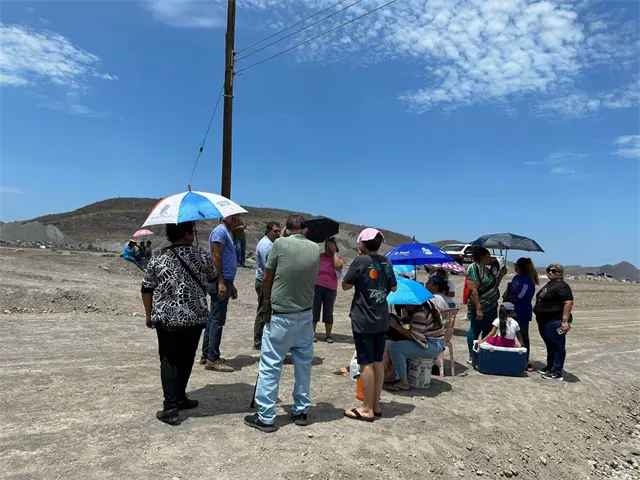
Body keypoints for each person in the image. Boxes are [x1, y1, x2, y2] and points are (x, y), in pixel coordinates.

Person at [244, 215, 320, 433]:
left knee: (270, 364)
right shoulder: (315, 248)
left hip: (281, 314)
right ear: (306, 231)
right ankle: (301, 409)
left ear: (287, 229)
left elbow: (268, 277)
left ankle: (266, 415)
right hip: (305, 314)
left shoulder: (279, 244)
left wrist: (266, 302)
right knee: (303, 364)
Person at [141, 221, 217, 424]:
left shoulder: (158, 256)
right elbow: (213, 277)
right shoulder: (201, 254)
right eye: (191, 231)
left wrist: (148, 314)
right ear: (187, 233)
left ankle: (171, 406)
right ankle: (178, 398)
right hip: (194, 317)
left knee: (169, 359)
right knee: (187, 357)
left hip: (167, 317)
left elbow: (147, 288)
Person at [342, 228, 397, 422]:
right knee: (377, 361)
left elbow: (345, 285)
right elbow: (393, 287)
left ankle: (366, 408)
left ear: (362, 243)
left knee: (365, 363)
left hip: (364, 319)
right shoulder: (386, 262)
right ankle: (376, 405)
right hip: (381, 318)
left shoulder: (360, 261)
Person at [201, 215, 239, 372]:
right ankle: (213, 359)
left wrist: (231, 284)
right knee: (217, 319)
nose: (237, 221)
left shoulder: (224, 232)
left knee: (213, 318)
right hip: (219, 281)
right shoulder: (220, 232)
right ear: (225, 217)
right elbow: (216, 256)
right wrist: (222, 282)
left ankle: (207, 354)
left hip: (224, 280)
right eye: (234, 218)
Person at [385, 300, 445, 391]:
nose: (404, 306)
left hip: (431, 346)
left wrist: (396, 326)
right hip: (438, 344)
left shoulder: (420, 314)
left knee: (395, 348)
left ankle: (403, 382)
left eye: (406, 304)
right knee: (400, 345)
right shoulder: (429, 306)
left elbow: (414, 337)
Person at [466, 247, 507, 363]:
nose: (490, 258)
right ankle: (472, 355)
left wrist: (500, 276)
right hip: (481, 306)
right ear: (482, 257)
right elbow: (473, 290)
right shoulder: (474, 269)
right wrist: (478, 309)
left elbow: (493, 286)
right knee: (475, 329)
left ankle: (483, 352)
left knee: (488, 330)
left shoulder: (486, 270)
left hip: (491, 306)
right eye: (488, 256)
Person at [534, 263, 574, 381]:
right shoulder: (550, 284)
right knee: (550, 344)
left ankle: (557, 371)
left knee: (557, 345)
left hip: (556, 320)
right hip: (544, 321)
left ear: (560, 274)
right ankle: (550, 366)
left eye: (554, 271)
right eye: (549, 270)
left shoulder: (562, 286)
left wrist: (565, 321)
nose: (550, 272)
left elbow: (568, 302)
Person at [503, 257, 538, 371]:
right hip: (510, 310)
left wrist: (509, 297)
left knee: (522, 336)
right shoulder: (516, 277)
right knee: (508, 334)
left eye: (516, 265)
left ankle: (524, 360)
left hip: (521, 312)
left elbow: (520, 297)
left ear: (521, 267)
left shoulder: (527, 281)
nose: (515, 267)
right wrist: (506, 294)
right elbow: (511, 291)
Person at [253, 221, 281, 350]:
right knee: (263, 310)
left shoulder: (271, 244)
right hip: (264, 281)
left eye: (279, 231)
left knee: (267, 310)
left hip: (266, 280)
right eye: (275, 231)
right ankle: (258, 341)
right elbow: (268, 268)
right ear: (268, 231)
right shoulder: (266, 246)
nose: (278, 233)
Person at [312, 237, 344, 344]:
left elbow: (338, 267)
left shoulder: (337, 258)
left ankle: (328, 334)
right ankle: (312, 333)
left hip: (330, 289)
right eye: (326, 246)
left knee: (328, 311)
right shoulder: (319, 257)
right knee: (314, 310)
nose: (327, 248)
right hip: (317, 286)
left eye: (330, 246)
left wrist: (334, 253)